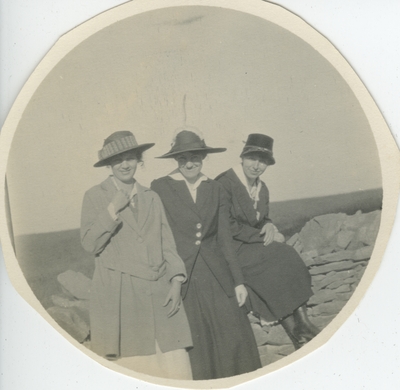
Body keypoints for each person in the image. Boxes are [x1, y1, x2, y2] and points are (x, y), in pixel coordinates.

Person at [151, 128, 262, 380]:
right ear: (176, 161)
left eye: (195, 158)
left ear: (203, 158)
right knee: (196, 346)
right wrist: (169, 278)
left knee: (234, 336)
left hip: (217, 276)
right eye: (182, 159)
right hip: (183, 278)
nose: (189, 163)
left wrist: (238, 281)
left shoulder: (216, 189)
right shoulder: (160, 187)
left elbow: (224, 238)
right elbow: (159, 236)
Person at [80, 131, 193, 379]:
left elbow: (167, 244)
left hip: (160, 293)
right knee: (136, 368)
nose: (124, 165)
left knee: (174, 369)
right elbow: (89, 244)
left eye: (130, 158)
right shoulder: (95, 196)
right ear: (109, 164)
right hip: (122, 297)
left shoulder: (151, 197)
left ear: (138, 160)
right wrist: (113, 209)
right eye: (118, 160)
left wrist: (176, 281)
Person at [215, 133, 320, 349]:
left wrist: (269, 224)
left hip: (251, 245)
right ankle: (298, 330)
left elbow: (260, 218)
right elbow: (227, 225)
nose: (256, 165)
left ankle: (303, 324)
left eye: (263, 161)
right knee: (277, 256)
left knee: (285, 254)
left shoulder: (262, 189)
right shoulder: (224, 184)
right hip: (231, 247)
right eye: (253, 158)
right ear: (242, 157)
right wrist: (262, 236)